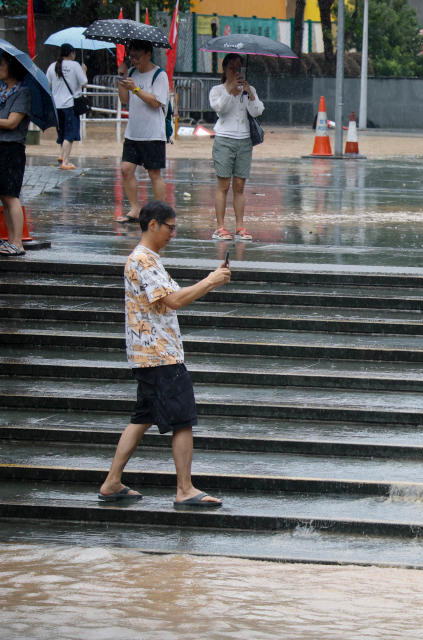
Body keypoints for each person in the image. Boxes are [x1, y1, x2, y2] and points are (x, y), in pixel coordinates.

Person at [98, 201, 231, 507]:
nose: (173, 233)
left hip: (149, 355)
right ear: (153, 224)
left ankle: (112, 482)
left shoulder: (148, 260)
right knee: (182, 421)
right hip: (160, 356)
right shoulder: (143, 261)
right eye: (170, 227)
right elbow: (173, 300)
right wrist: (210, 281)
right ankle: (184, 488)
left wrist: (210, 282)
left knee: (142, 417)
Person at [209, 53, 264, 241]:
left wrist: (250, 94)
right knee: (223, 184)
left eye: (238, 68)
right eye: (232, 67)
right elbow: (220, 109)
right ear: (225, 69)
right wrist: (230, 90)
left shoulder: (247, 89)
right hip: (224, 139)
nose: (235, 71)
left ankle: (240, 226)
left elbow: (257, 111)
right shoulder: (217, 90)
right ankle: (220, 226)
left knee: (239, 185)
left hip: (244, 140)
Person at [116, 40, 170, 224]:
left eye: (137, 56)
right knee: (126, 169)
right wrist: (121, 76)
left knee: (154, 173)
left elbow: (156, 102)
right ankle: (135, 208)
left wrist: (136, 89)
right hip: (133, 131)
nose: (134, 60)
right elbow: (124, 100)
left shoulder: (159, 75)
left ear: (148, 54)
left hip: (153, 132)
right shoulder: (131, 73)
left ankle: (159, 213)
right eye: (131, 56)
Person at [0, 51, 31, 257]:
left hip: (11, 149)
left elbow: (12, 122)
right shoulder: (2, 90)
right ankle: (9, 240)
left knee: (11, 195)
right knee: (3, 196)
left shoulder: (23, 92)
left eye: (2, 65)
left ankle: (17, 242)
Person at [45, 43, 87, 171]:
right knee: (70, 134)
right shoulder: (75, 66)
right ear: (71, 53)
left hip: (56, 106)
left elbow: (48, 85)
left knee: (62, 133)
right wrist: (84, 71)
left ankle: (61, 155)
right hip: (70, 105)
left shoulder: (52, 66)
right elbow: (84, 83)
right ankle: (65, 161)